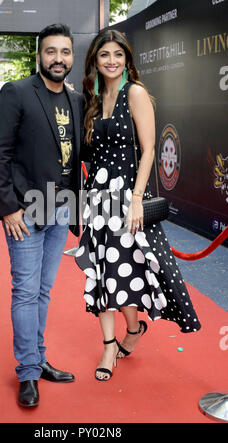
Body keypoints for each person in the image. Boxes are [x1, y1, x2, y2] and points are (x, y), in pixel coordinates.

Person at [75, 29, 201, 382]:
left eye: (118, 54)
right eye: (104, 55)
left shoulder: (136, 92)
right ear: (95, 62)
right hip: (98, 200)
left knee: (126, 271)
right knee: (102, 272)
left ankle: (131, 331)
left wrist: (135, 200)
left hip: (128, 198)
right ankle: (110, 344)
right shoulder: (95, 98)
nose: (111, 61)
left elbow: (148, 151)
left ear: (127, 59)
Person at [0, 24, 84, 407]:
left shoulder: (75, 101)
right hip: (25, 211)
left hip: (60, 209)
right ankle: (28, 372)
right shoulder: (18, 93)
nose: (58, 58)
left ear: (72, 57)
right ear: (39, 55)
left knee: (43, 290)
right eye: (51, 51)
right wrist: (8, 206)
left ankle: (39, 359)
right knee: (26, 292)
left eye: (65, 52)